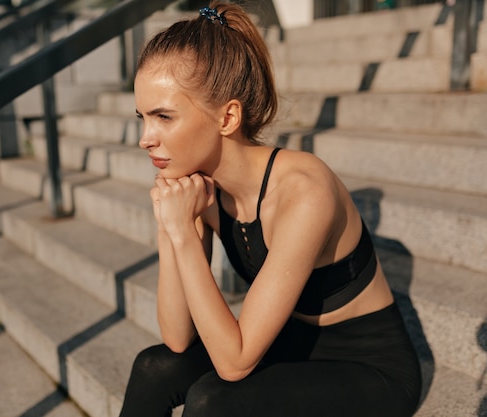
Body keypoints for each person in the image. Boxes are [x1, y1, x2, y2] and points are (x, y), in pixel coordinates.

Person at [119, 3, 422, 416]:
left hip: (368, 370)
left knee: (212, 400)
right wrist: (174, 228)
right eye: (142, 117)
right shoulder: (197, 190)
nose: (145, 138)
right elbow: (176, 338)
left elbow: (234, 362)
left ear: (227, 117)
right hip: (288, 345)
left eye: (163, 117)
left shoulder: (303, 190)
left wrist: (182, 236)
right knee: (154, 367)